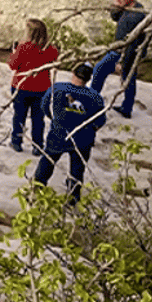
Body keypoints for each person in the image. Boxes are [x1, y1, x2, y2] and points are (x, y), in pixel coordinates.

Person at [33, 62, 107, 201]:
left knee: (47, 161)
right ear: (88, 78)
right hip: (83, 138)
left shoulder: (58, 88)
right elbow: (101, 120)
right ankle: (73, 197)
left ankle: (37, 188)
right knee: (77, 170)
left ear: (73, 73)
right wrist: (91, 129)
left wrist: (53, 118)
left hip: (59, 133)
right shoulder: (95, 97)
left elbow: (44, 106)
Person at [89, 0, 147, 117]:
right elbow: (115, 17)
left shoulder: (135, 16)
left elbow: (131, 43)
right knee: (129, 79)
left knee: (100, 69)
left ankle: (90, 101)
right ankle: (127, 108)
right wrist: (116, 6)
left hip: (125, 52)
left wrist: (122, 62)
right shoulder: (130, 8)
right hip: (123, 50)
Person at [7, 18, 59, 153]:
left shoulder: (23, 47)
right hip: (41, 88)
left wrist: (14, 52)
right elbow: (55, 59)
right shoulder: (50, 49)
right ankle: (37, 145)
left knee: (19, 115)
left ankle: (16, 142)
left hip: (21, 87)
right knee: (38, 118)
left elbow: (13, 65)